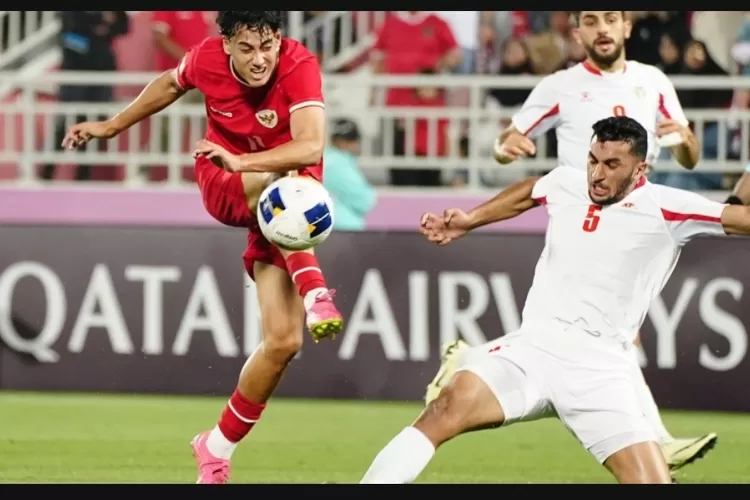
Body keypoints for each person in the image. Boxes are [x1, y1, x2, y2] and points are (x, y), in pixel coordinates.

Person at [362, 116, 744, 484]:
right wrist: (469, 220)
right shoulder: (566, 183)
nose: (597, 174)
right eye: (593, 160)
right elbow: (531, 189)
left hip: (600, 368)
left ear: (640, 169)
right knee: (443, 410)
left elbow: (738, 217)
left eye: (613, 165)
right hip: (533, 350)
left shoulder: (668, 208)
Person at [424, 10, 716, 473]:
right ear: (578, 32)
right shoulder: (559, 86)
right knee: (611, 335)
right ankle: (654, 440)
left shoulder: (653, 81)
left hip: (637, 218)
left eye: (611, 19)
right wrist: (506, 148)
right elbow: (510, 139)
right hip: (580, 213)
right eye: (591, 20)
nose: (602, 28)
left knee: (615, 336)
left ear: (626, 27)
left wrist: (683, 139)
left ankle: (473, 356)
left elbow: (690, 155)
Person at [60, 11, 343, 484]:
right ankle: (316, 291)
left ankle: (215, 447)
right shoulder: (205, 59)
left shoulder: (299, 63)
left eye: (268, 46)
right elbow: (169, 86)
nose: (260, 59)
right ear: (228, 44)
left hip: (282, 193)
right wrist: (112, 125)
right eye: (248, 48)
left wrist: (247, 158)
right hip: (228, 178)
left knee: (283, 342)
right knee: (283, 189)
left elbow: (311, 146)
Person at [40, 11, 129, 181]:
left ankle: (83, 176)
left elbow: (123, 25)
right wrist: (100, 20)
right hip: (75, 70)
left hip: (101, 71)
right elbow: (70, 25)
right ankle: (47, 173)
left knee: (94, 125)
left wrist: (102, 24)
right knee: (66, 124)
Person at [322, 119, 377, 231]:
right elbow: (364, 200)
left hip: (322, 226)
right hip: (344, 228)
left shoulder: (321, 160)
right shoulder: (338, 164)